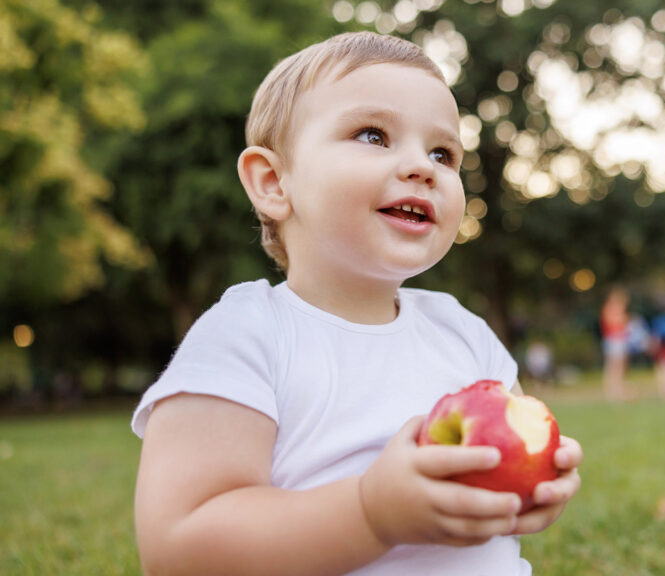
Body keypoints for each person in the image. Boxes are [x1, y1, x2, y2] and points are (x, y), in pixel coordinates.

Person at [130, 32, 582, 576]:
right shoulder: (247, 336)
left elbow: (506, 461)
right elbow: (179, 547)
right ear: (273, 182)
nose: (423, 166)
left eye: (443, 153)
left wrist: (530, 487)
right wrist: (372, 513)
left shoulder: (462, 331)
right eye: (373, 134)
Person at [600, 287, 632, 401]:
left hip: (620, 339)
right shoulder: (611, 308)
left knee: (620, 367)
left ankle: (619, 389)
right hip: (614, 339)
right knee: (614, 366)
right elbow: (616, 322)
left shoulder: (618, 309)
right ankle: (612, 391)